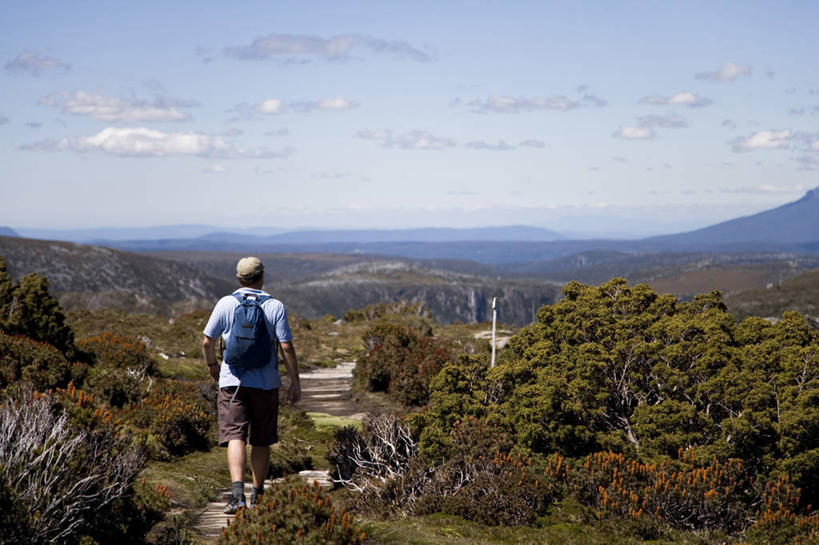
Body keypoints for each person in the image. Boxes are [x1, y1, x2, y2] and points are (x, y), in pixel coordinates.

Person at [202, 256, 301, 513]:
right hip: (266, 383)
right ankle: (258, 494)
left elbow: (207, 341)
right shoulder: (275, 306)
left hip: (232, 381)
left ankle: (237, 495)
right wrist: (294, 382)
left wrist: (213, 365)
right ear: (261, 277)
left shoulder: (226, 303)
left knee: (235, 436)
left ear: (238, 277)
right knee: (261, 439)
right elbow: (287, 347)